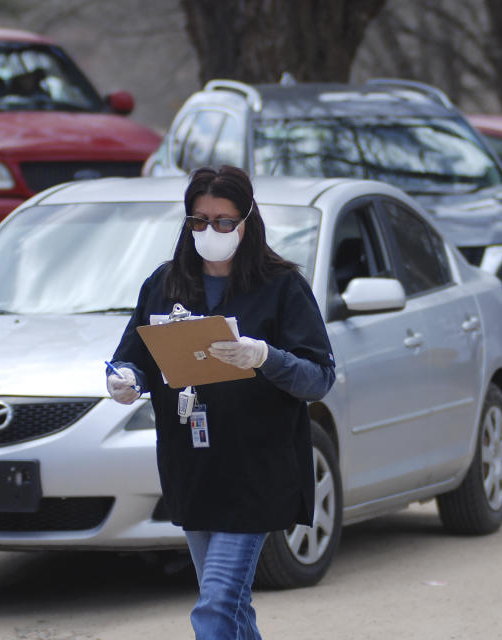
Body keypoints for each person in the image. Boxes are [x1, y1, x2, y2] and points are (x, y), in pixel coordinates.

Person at [107, 165, 336, 639]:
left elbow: (319, 378)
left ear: (248, 221)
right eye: (199, 221)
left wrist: (264, 356)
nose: (211, 231)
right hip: (192, 466)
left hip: (256, 471)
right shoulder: (166, 283)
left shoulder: (281, 287)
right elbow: (133, 358)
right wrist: (126, 378)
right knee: (233, 609)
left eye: (223, 221)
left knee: (214, 607)